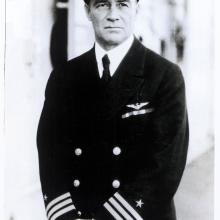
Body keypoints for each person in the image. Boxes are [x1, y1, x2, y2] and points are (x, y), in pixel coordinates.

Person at [37, 0, 189, 219]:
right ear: (87, 11)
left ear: (137, 9)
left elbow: (164, 168)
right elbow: (50, 153)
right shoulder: (64, 77)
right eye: (102, 5)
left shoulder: (165, 76)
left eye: (123, 5)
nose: (113, 15)